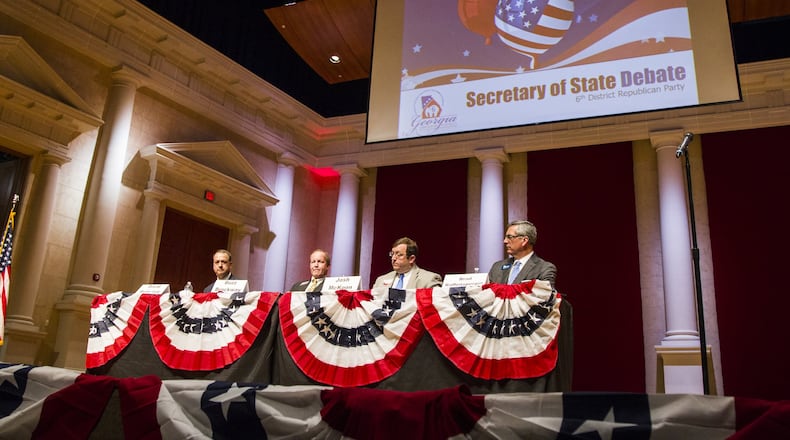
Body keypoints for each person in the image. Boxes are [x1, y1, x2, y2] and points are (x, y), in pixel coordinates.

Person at [487, 220, 557, 289]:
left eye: (510, 237)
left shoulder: (544, 269)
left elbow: (544, 297)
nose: (505, 241)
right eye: (505, 237)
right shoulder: (497, 267)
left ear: (524, 240)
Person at [372, 237, 442, 289]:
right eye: (392, 254)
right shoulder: (381, 280)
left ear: (411, 259)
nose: (393, 258)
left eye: (399, 255)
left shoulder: (428, 280)